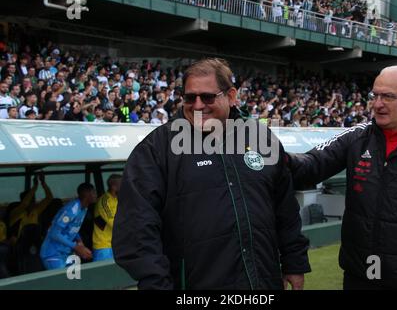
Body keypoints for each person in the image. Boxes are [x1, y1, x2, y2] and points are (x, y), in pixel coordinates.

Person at [112, 58, 311, 290]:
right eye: (189, 97)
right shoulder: (156, 149)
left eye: (207, 97)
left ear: (231, 96)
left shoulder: (261, 139)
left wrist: (294, 262)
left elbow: (285, 209)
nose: (197, 105)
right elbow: (136, 228)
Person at [288, 65, 397, 290]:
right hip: (359, 276)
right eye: (376, 95)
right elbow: (311, 165)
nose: (378, 104)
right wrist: (277, 157)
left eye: (388, 96)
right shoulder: (358, 137)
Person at [40, 183, 97, 270]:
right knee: (62, 282)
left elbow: (73, 229)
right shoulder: (71, 209)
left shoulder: (84, 208)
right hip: (53, 253)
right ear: (87, 194)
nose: (96, 195)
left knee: (73, 280)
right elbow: (54, 233)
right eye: (94, 192)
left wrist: (80, 243)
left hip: (66, 253)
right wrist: (76, 247)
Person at [92, 174, 122, 261]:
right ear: (113, 187)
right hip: (104, 246)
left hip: (115, 244)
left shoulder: (116, 199)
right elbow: (114, 223)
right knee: (103, 274)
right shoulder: (104, 201)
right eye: (122, 184)